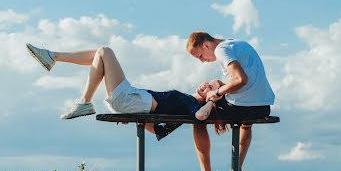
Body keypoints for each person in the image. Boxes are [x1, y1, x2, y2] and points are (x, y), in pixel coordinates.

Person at [25, 43, 220, 144]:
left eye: (210, 86)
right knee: (99, 55)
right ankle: (53, 57)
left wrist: (212, 100)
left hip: (130, 99)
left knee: (104, 51)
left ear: (214, 95)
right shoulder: (188, 101)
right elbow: (160, 130)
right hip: (131, 101)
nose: (205, 84)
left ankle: (80, 95)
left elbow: (201, 116)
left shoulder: (194, 105)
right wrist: (134, 117)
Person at [186, 32, 275, 171]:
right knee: (245, 124)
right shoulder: (238, 44)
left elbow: (241, 80)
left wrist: (216, 92)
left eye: (200, 56)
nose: (202, 61)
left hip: (243, 107)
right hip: (262, 107)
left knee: (198, 114)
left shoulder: (221, 50)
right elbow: (244, 83)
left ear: (206, 45)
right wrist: (221, 84)